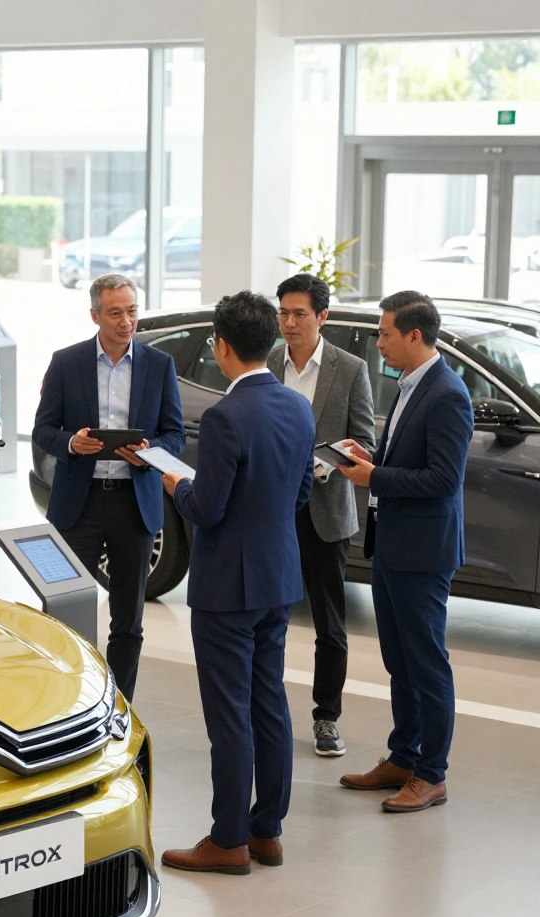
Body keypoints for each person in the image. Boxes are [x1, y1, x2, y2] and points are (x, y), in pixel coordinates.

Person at [159, 290, 315, 874]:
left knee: (229, 714)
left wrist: (178, 486)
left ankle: (227, 839)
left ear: (222, 347)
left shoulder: (225, 417)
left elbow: (207, 507)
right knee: (269, 703)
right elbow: (301, 493)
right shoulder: (297, 407)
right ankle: (266, 830)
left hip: (228, 585)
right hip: (277, 575)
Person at [336, 291, 473, 812]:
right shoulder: (411, 385)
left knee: (426, 663)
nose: (380, 343)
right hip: (393, 544)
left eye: (386, 333)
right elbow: (411, 460)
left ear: (414, 335)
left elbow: (443, 478)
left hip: (423, 551)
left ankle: (431, 774)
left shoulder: (447, 393)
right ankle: (403, 756)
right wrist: (373, 459)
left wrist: (377, 477)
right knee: (400, 661)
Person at [32, 273, 184, 702]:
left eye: (132, 311)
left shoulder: (159, 365)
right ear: (95, 315)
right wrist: (72, 444)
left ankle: (117, 705)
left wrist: (149, 451)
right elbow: (43, 430)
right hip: (78, 504)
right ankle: (66, 701)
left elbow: (174, 435)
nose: (126, 321)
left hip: (133, 505)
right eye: (115, 312)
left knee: (128, 621)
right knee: (62, 611)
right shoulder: (67, 362)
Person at [269, 273, 375, 757]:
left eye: (300, 314)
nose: (289, 323)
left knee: (330, 625)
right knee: (266, 615)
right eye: (284, 313)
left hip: (325, 512)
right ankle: (263, 709)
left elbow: (365, 443)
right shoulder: (267, 362)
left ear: (323, 317)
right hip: (272, 512)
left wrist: (323, 462)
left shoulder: (349, 369)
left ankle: (326, 717)